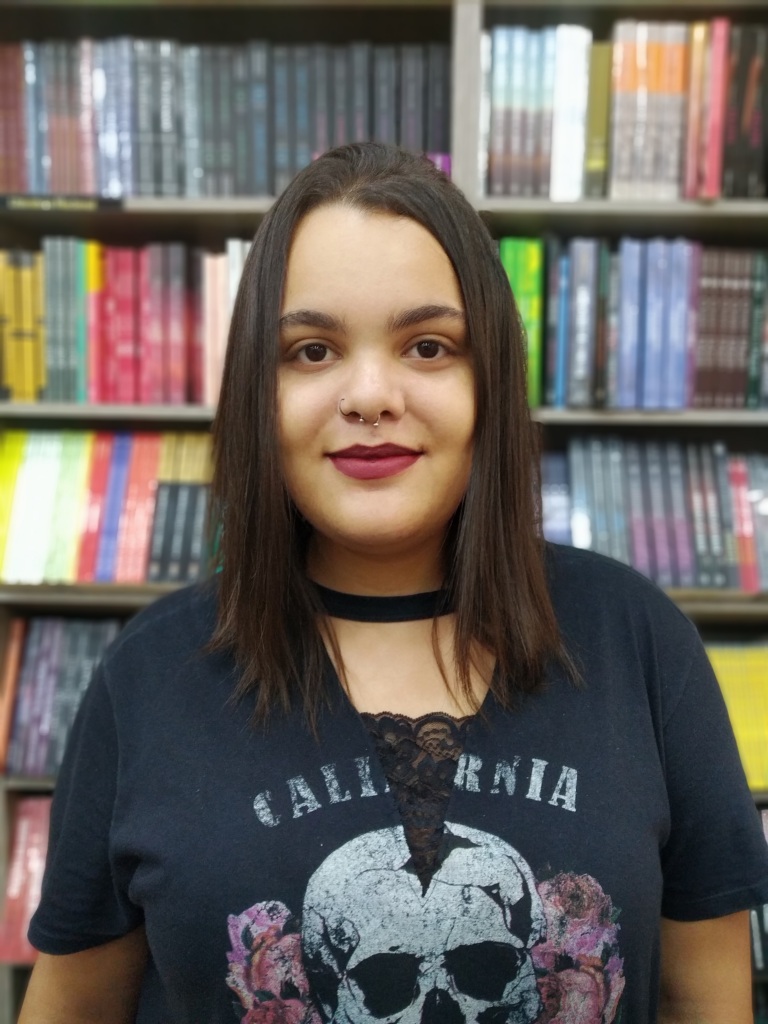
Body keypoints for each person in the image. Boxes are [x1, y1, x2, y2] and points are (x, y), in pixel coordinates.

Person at [19, 142, 768, 1024]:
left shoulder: (638, 643)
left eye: (427, 346)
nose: (370, 395)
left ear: (490, 380)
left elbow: (703, 1000)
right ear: (257, 391)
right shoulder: (149, 676)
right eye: (311, 350)